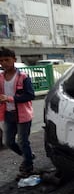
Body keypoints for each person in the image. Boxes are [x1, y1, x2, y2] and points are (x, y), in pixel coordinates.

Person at [0, 47, 36, 179]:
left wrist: (10, 98)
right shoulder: (0, 77)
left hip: (23, 114)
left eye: (7, 60)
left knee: (22, 141)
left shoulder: (23, 77)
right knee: (8, 142)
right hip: (8, 113)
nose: (4, 63)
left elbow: (30, 95)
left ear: (14, 60)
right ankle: (28, 157)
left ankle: (28, 166)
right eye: (1, 60)